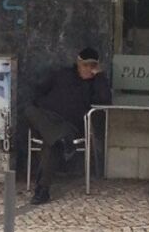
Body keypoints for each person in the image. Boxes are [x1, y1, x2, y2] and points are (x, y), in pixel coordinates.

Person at [25, 47, 112, 205]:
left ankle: (42, 191)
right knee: (30, 111)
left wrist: (100, 76)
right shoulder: (62, 75)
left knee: (51, 145)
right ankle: (62, 139)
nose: (88, 69)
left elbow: (105, 100)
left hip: (69, 125)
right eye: (85, 65)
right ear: (78, 63)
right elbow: (38, 91)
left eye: (92, 66)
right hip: (47, 119)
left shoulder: (94, 83)